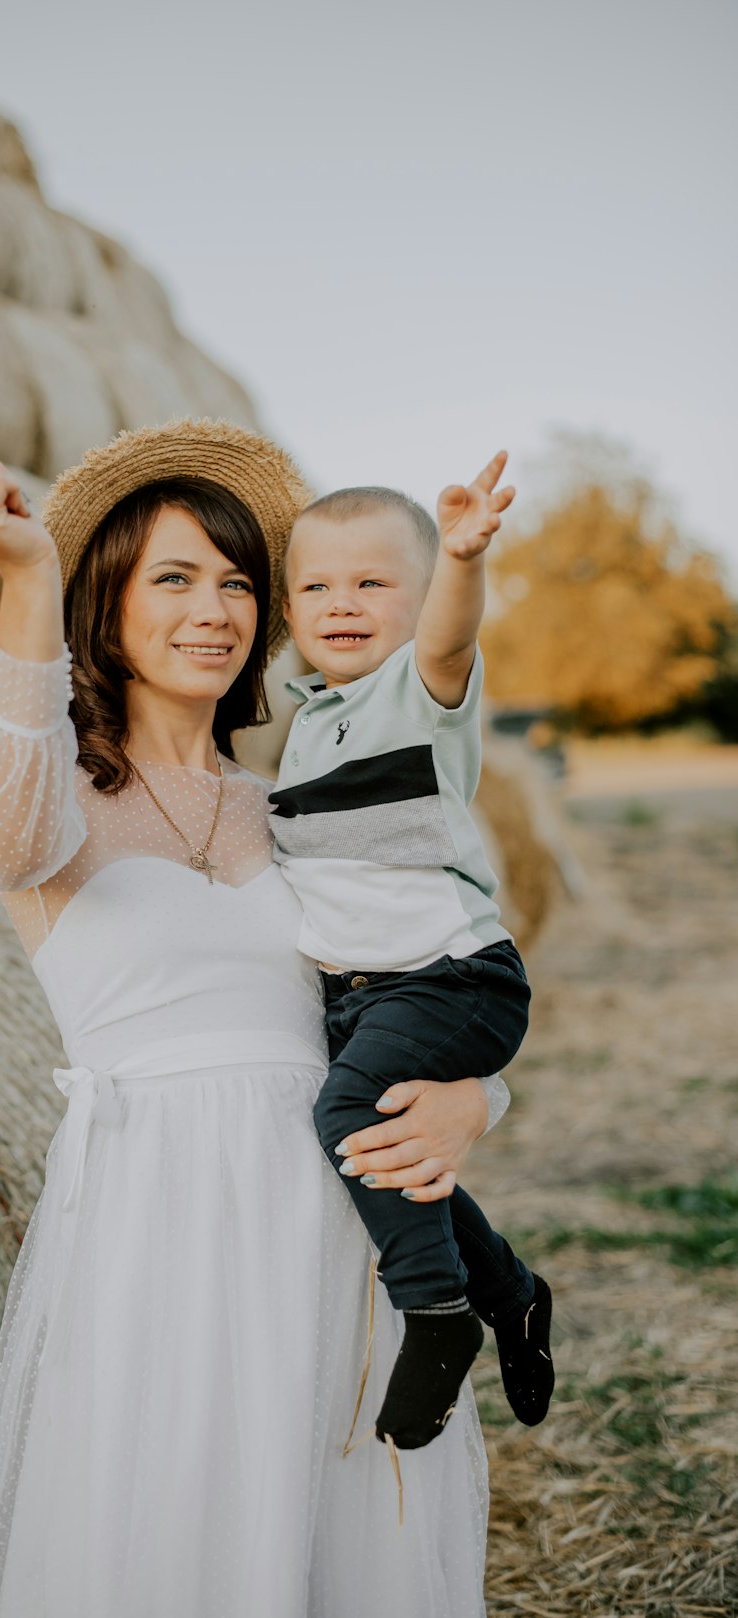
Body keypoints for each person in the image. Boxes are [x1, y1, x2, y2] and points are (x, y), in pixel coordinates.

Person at [0, 419, 510, 1617]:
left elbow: (431, 970)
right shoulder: (45, 797)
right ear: (108, 602)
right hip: (161, 1230)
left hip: (330, 1227)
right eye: (175, 578)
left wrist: (476, 1098)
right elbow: (1, 821)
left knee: (334, 1536)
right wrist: (26, 572)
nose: (216, 608)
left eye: (241, 582)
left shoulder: (296, 805)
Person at [272, 457, 554, 1454]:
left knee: (346, 1114)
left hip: (451, 973)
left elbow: (450, 637)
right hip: (368, 993)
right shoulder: (306, 721)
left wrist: (465, 560)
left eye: (373, 582)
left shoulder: (413, 692)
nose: (341, 603)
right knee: (396, 1152)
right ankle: (513, 1295)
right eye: (316, 586)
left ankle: (435, 1316)